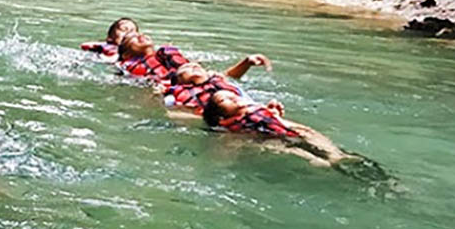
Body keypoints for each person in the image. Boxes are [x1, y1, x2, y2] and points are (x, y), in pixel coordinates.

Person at [202, 90, 352, 166]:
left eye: (233, 95)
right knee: (284, 147)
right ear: (220, 117)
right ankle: (314, 160)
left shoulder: (257, 109)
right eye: (224, 100)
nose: (233, 97)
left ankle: (335, 155)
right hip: (262, 138)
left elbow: (273, 120)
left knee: (308, 133)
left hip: (284, 130)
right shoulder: (229, 126)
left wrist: (275, 114)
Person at [162, 55, 270, 115]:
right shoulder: (174, 96)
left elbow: (231, 76)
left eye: (198, 66)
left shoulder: (219, 81)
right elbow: (171, 114)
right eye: (186, 68)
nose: (193, 67)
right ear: (179, 81)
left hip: (248, 112)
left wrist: (247, 62)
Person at [116, 32, 190, 81]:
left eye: (142, 34)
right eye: (133, 37)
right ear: (126, 55)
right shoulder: (135, 67)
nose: (141, 36)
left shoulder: (166, 55)